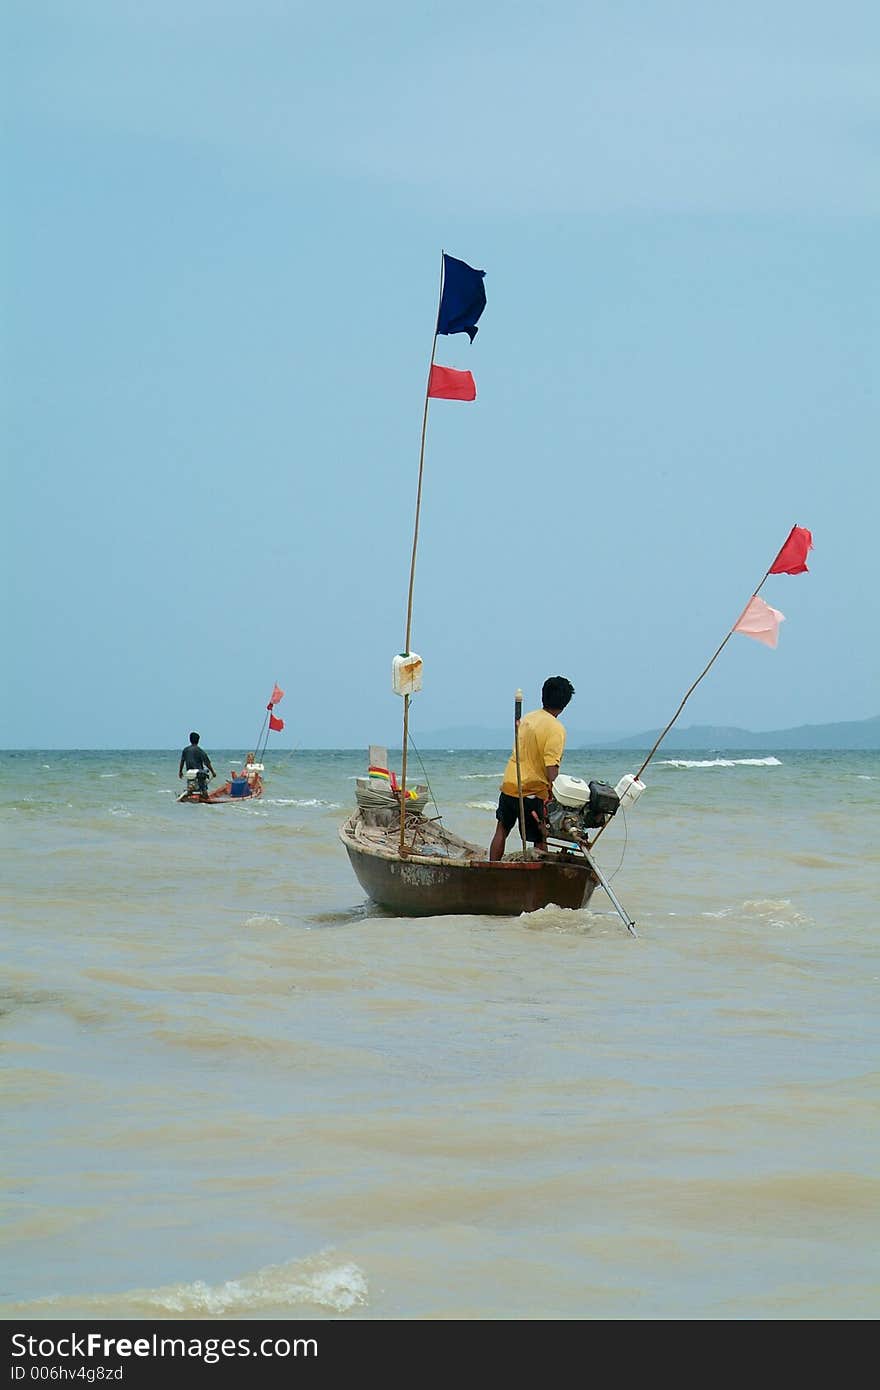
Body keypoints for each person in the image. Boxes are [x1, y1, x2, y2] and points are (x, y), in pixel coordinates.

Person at [489, 676, 575, 861]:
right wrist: (556, 791)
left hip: (511, 782)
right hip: (533, 790)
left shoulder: (527, 719)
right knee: (540, 836)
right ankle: (540, 879)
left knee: (502, 829)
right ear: (565, 704)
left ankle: (492, 866)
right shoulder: (556, 729)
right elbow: (551, 768)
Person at [178, 732, 217, 801]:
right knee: (203, 780)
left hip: (189, 772)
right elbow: (207, 763)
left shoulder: (185, 750)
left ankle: (189, 793)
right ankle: (205, 795)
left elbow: (182, 761)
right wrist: (213, 772)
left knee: (191, 785)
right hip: (199, 773)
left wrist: (180, 772)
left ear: (190, 740)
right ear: (198, 740)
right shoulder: (200, 750)